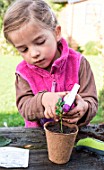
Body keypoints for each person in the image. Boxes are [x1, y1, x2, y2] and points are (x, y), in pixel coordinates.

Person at [3, 0, 98, 128]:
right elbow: (24, 107)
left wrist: (84, 107)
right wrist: (42, 100)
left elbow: (91, 101)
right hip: (37, 138)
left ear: (56, 33)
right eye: (23, 49)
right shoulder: (23, 72)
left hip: (75, 135)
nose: (34, 53)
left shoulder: (79, 63)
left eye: (40, 42)